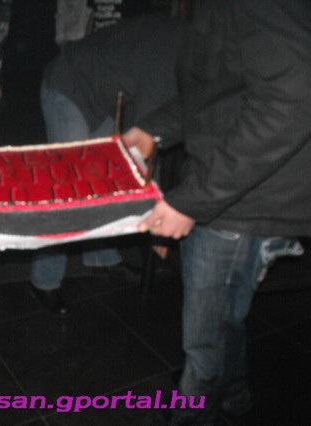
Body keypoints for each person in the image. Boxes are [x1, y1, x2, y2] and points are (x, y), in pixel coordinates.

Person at [124, 0, 311, 423]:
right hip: (232, 190)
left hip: (241, 201)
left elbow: (295, 94)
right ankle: (234, 396)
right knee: (224, 320)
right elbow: (218, 94)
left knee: (204, 345)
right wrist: (153, 130)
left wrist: (193, 200)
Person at [30, 14, 185, 315]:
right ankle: (43, 280)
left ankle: (101, 258)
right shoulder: (172, 59)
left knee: (101, 179)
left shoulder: (188, 44)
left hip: (101, 93)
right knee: (68, 190)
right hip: (68, 85)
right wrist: (160, 216)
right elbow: (144, 144)